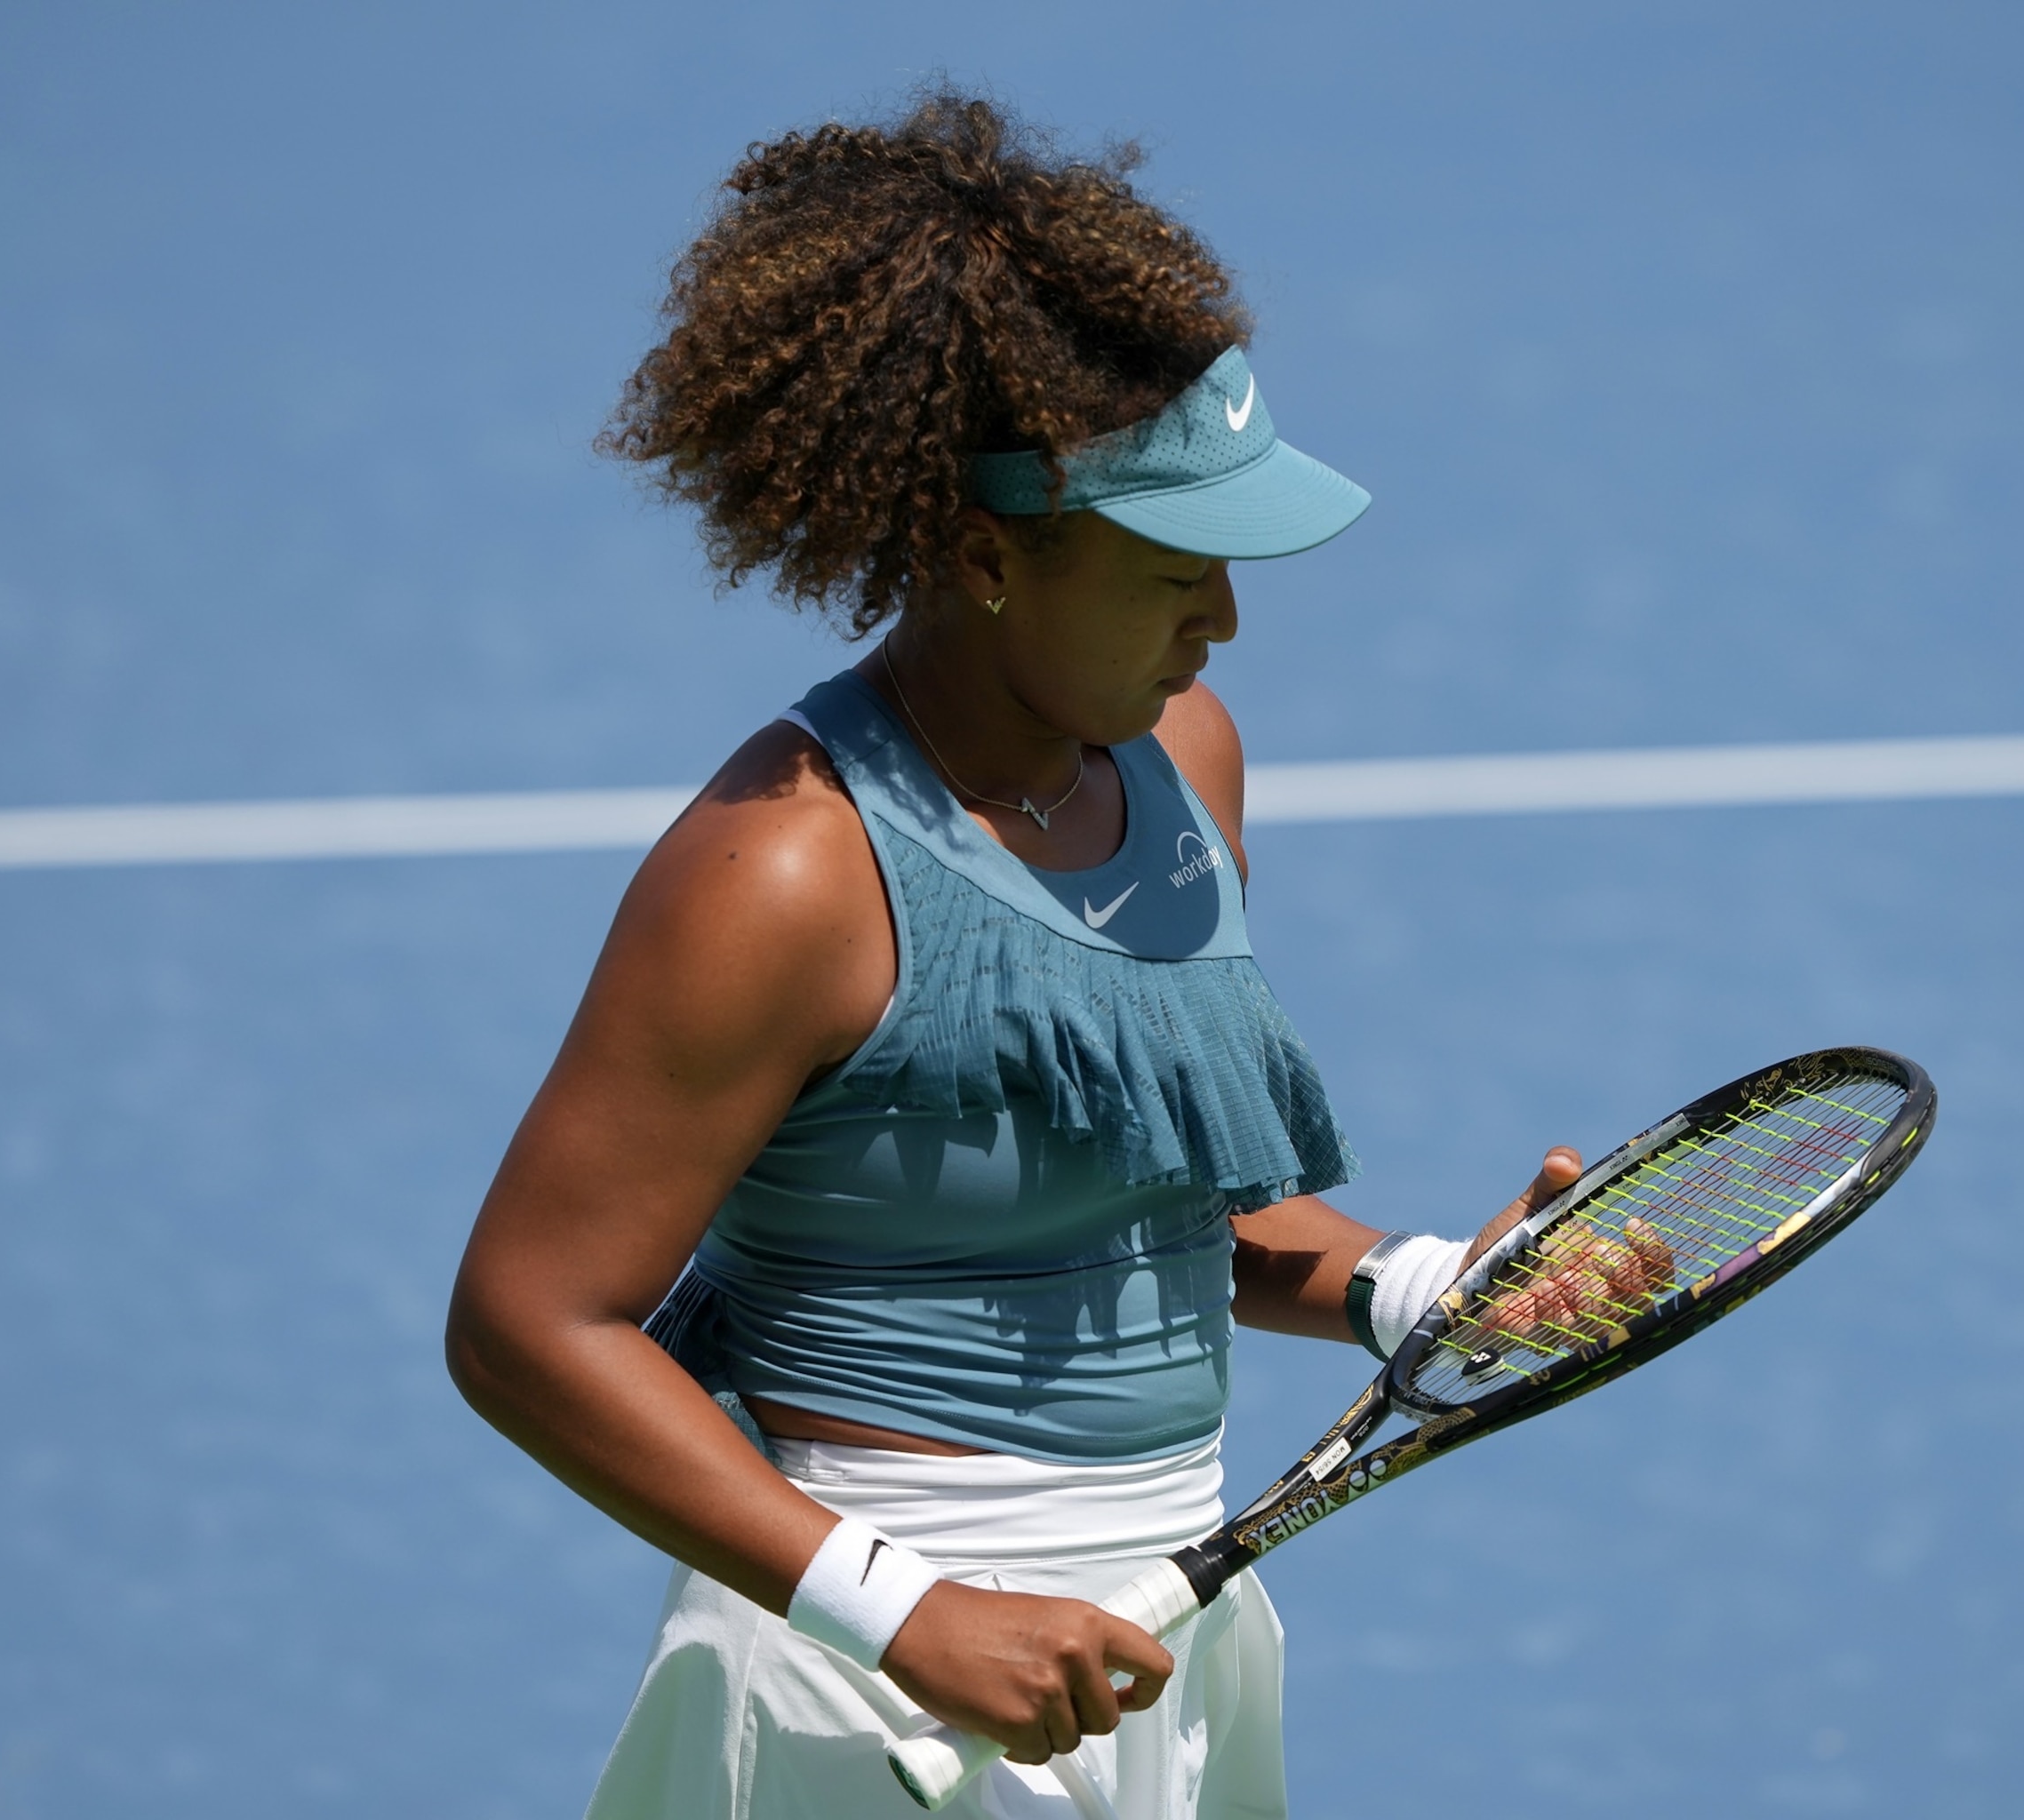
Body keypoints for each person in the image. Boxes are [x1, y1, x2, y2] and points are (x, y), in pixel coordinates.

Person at [444, 93, 1580, 1820]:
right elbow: (528, 1319)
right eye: (1176, 571)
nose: (1227, 621)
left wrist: (1407, 1287)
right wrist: (907, 1614)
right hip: (872, 1694)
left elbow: (1147, 1191)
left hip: (1159, 1645)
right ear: (982, 556)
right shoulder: (782, 875)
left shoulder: (1188, 764)